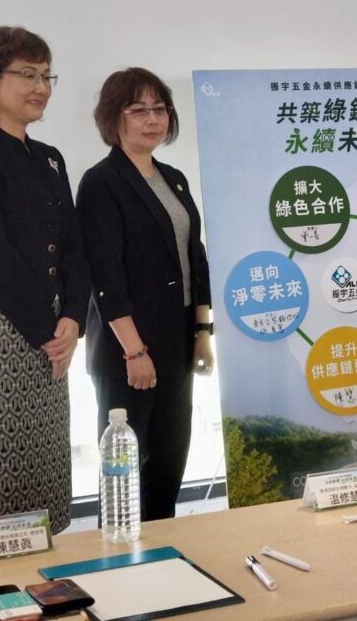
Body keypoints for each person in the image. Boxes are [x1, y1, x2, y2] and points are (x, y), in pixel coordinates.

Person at [0, 26, 89, 536]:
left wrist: (73, 320)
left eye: (46, 76)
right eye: (27, 74)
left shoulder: (50, 158)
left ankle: (49, 575)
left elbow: (74, 249)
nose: (41, 87)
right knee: (1, 470)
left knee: (47, 467)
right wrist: (50, 332)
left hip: (53, 331)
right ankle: (2, 581)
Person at [76, 67, 213, 521]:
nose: (152, 119)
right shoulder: (102, 182)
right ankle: (119, 557)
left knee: (168, 466)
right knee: (125, 476)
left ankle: (163, 554)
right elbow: (105, 275)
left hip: (177, 341)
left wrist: (203, 332)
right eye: (138, 110)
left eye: (160, 109)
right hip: (128, 350)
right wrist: (134, 352)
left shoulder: (173, 178)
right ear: (113, 117)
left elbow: (195, 258)